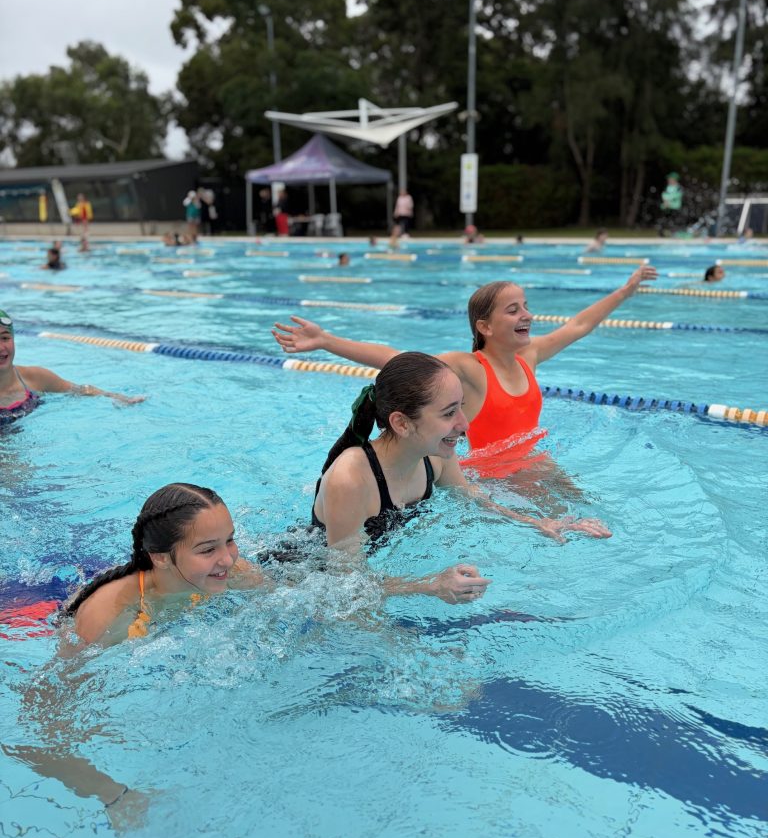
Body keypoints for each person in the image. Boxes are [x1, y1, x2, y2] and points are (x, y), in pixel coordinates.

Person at [272, 265, 658, 479]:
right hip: (487, 479)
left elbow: (578, 325)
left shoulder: (530, 356)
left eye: (526, 306)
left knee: (591, 517)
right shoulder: (469, 368)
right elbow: (396, 358)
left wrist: (625, 291)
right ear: (484, 327)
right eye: (513, 310)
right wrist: (325, 341)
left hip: (532, 463)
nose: (527, 315)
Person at [312, 353, 608, 590]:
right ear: (402, 423)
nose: (465, 425)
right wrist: (429, 585)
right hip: (304, 577)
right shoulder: (351, 479)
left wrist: (537, 522)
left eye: (461, 407)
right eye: (448, 413)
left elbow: (469, 496)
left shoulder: (435, 456)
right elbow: (346, 583)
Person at [64, 483, 269, 645]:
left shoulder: (233, 570)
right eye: (208, 550)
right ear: (161, 557)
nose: (228, 559)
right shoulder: (107, 612)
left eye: (229, 540)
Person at [0, 309, 144, 424]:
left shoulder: (35, 378)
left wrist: (113, 396)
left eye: (5, 338)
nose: (1, 347)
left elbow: (80, 390)